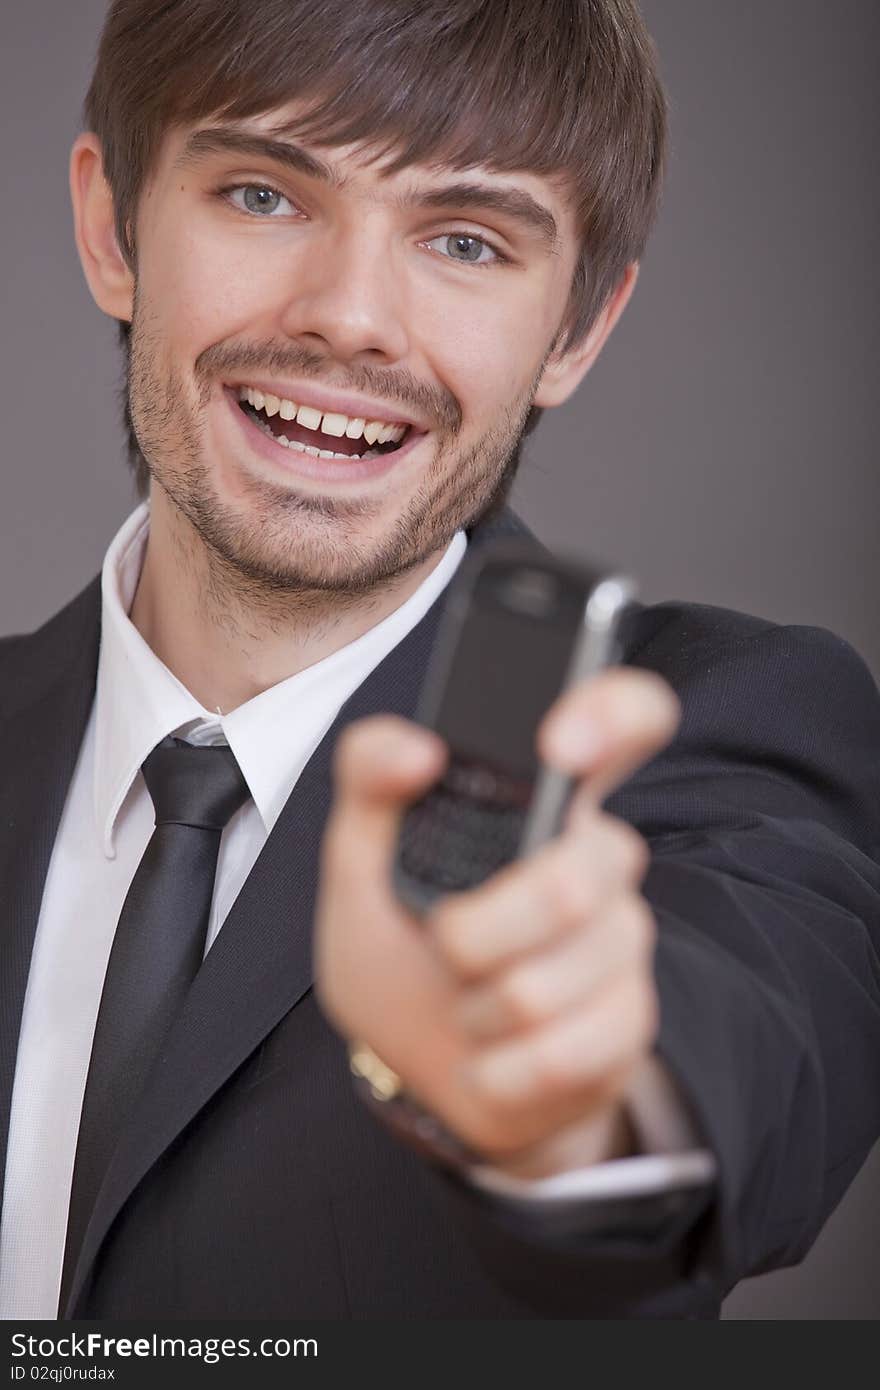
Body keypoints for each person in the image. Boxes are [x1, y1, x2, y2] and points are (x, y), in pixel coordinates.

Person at [0, 0, 878, 1322]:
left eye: (465, 239)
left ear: (575, 333)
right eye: (262, 193)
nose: (351, 318)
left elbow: (741, 1064)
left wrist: (560, 1109)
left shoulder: (722, 735)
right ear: (113, 229)